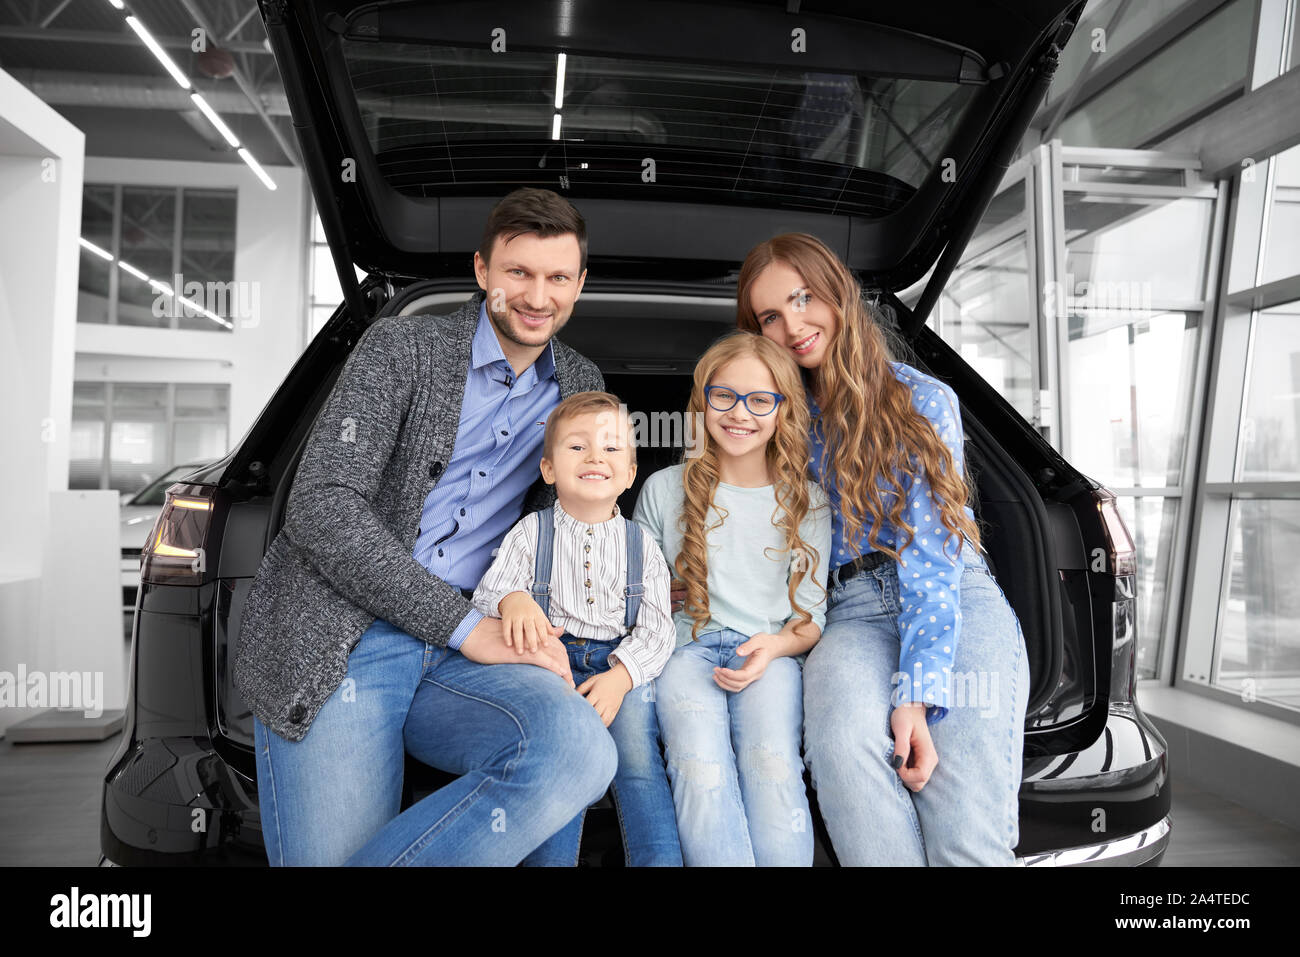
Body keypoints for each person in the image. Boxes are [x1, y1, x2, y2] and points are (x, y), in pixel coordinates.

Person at [233, 188, 618, 866]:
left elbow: (559, 515)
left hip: (470, 648)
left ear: (580, 285)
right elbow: (322, 503)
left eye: (558, 276)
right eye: (518, 273)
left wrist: (521, 594)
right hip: (348, 638)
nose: (536, 295)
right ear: (482, 272)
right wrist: (469, 627)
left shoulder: (580, 381)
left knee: (578, 748)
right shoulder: (403, 349)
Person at [735, 231, 1031, 865]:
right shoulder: (775, 421)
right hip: (847, 613)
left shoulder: (924, 400)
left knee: (961, 833)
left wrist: (915, 696)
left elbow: (932, 560)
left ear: (838, 294)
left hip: (952, 601)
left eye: (803, 298)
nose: (793, 325)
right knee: (843, 751)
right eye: (770, 316)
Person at [634, 332, 831, 866]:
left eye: (760, 400)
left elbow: (809, 620)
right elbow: (634, 594)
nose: (740, 413)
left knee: (772, 766)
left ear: (782, 411)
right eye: (725, 396)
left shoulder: (806, 501)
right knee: (699, 768)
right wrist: (654, 592)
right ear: (703, 403)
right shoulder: (663, 489)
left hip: (767, 652)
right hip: (684, 652)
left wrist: (771, 649)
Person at [470, 391, 681, 866]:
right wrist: (515, 599)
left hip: (619, 667)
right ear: (549, 470)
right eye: (577, 447)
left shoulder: (641, 544)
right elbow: (488, 591)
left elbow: (658, 630)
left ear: (629, 475)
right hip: (549, 663)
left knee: (640, 767)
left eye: (610, 448)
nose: (594, 457)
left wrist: (622, 676)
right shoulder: (531, 532)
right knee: (560, 764)